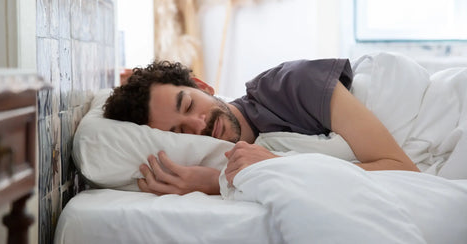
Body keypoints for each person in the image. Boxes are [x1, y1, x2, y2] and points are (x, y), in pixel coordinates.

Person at [103, 60, 420, 195]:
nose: (199, 125)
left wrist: (228, 181)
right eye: (180, 133)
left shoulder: (290, 85)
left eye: (188, 105)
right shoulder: (238, 152)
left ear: (203, 85)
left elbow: (402, 169)